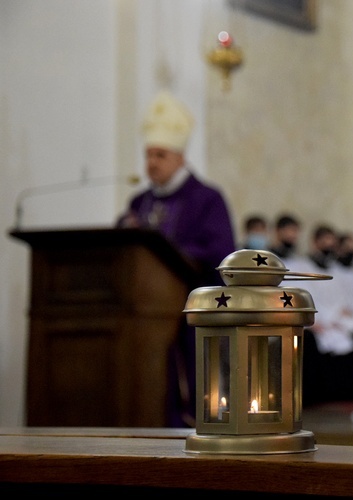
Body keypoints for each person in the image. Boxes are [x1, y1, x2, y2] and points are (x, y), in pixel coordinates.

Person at [117, 89, 236, 427]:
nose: (151, 162)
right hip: (140, 318)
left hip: (189, 313)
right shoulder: (139, 202)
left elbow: (221, 254)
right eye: (148, 155)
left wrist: (175, 255)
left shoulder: (206, 199)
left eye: (160, 154)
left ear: (180, 157)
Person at [293, 224, 353, 407]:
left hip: (339, 323)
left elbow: (346, 301)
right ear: (315, 242)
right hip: (317, 322)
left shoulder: (337, 272)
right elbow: (304, 300)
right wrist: (320, 320)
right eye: (324, 241)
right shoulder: (300, 268)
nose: (328, 246)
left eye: (331, 242)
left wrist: (343, 316)